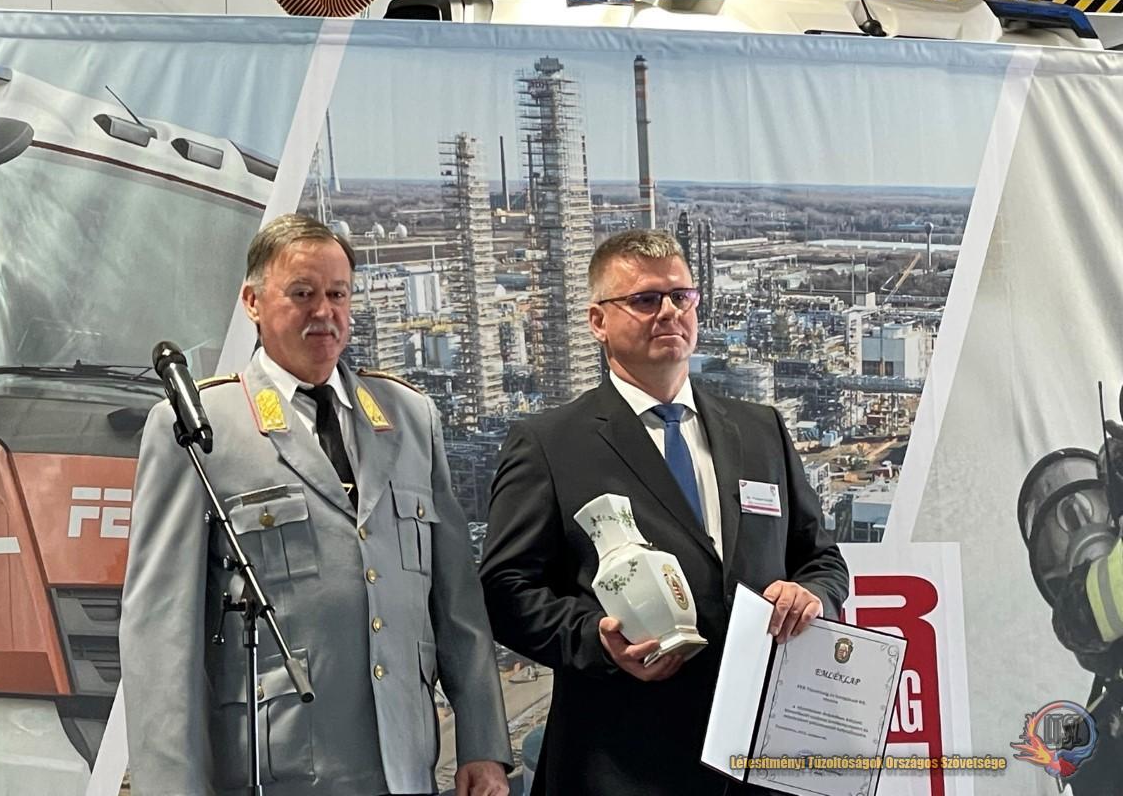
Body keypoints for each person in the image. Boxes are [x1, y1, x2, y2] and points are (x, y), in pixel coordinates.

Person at [121, 213, 512, 796]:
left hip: (403, 770)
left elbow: (457, 604)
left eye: (337, 294)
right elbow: (159, 635)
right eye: (302, 294)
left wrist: (483, 745)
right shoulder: (200, 428)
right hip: (277, 771)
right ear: (252, 302)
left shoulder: (408, 417)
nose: (324, 311)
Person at [480, 228, 849, 795]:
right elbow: (506, 589)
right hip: (624, 766)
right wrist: (595, 640)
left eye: (681, 296)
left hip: (761, 761)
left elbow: (821, 558)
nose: (669, 312)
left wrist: (813, 595)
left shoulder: (760, 430)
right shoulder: (552, 445)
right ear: (598, 321)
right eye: (646, 299)